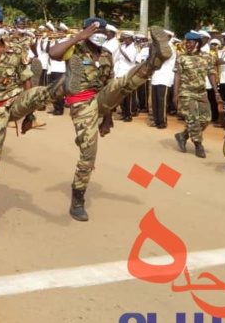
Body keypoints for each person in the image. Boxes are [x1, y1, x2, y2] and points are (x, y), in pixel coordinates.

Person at [49, 21, 171, 221]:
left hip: (101, 98)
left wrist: (107, 117)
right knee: (88, 152)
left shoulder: (106, 54)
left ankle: (155, 60)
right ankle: (78, 199)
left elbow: (109, 84)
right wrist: (79, 36)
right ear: (87, 31)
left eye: (103, 31)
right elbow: (53, 53)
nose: (100, 34)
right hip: (81, 102)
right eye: (95, 31)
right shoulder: (75, 49)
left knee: (123, 84)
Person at [0, 4, 63, 236]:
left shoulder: (15, 49)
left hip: (8, 102)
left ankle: (58, 89)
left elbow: (25, 79)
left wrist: (30, 114)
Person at [172, 31, 219, 158]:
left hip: (201, 92)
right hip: (186, 92)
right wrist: (175, 95)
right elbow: (177, 76)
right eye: (187, 42)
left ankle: (182, 136)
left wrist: (216, 92)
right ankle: (198, 145)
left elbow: (211, 74)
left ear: (197, 43)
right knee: (193, 119)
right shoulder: (182, 58)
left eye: (190, 42)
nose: (187, 44)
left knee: (206, 119)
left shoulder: (207, 57)